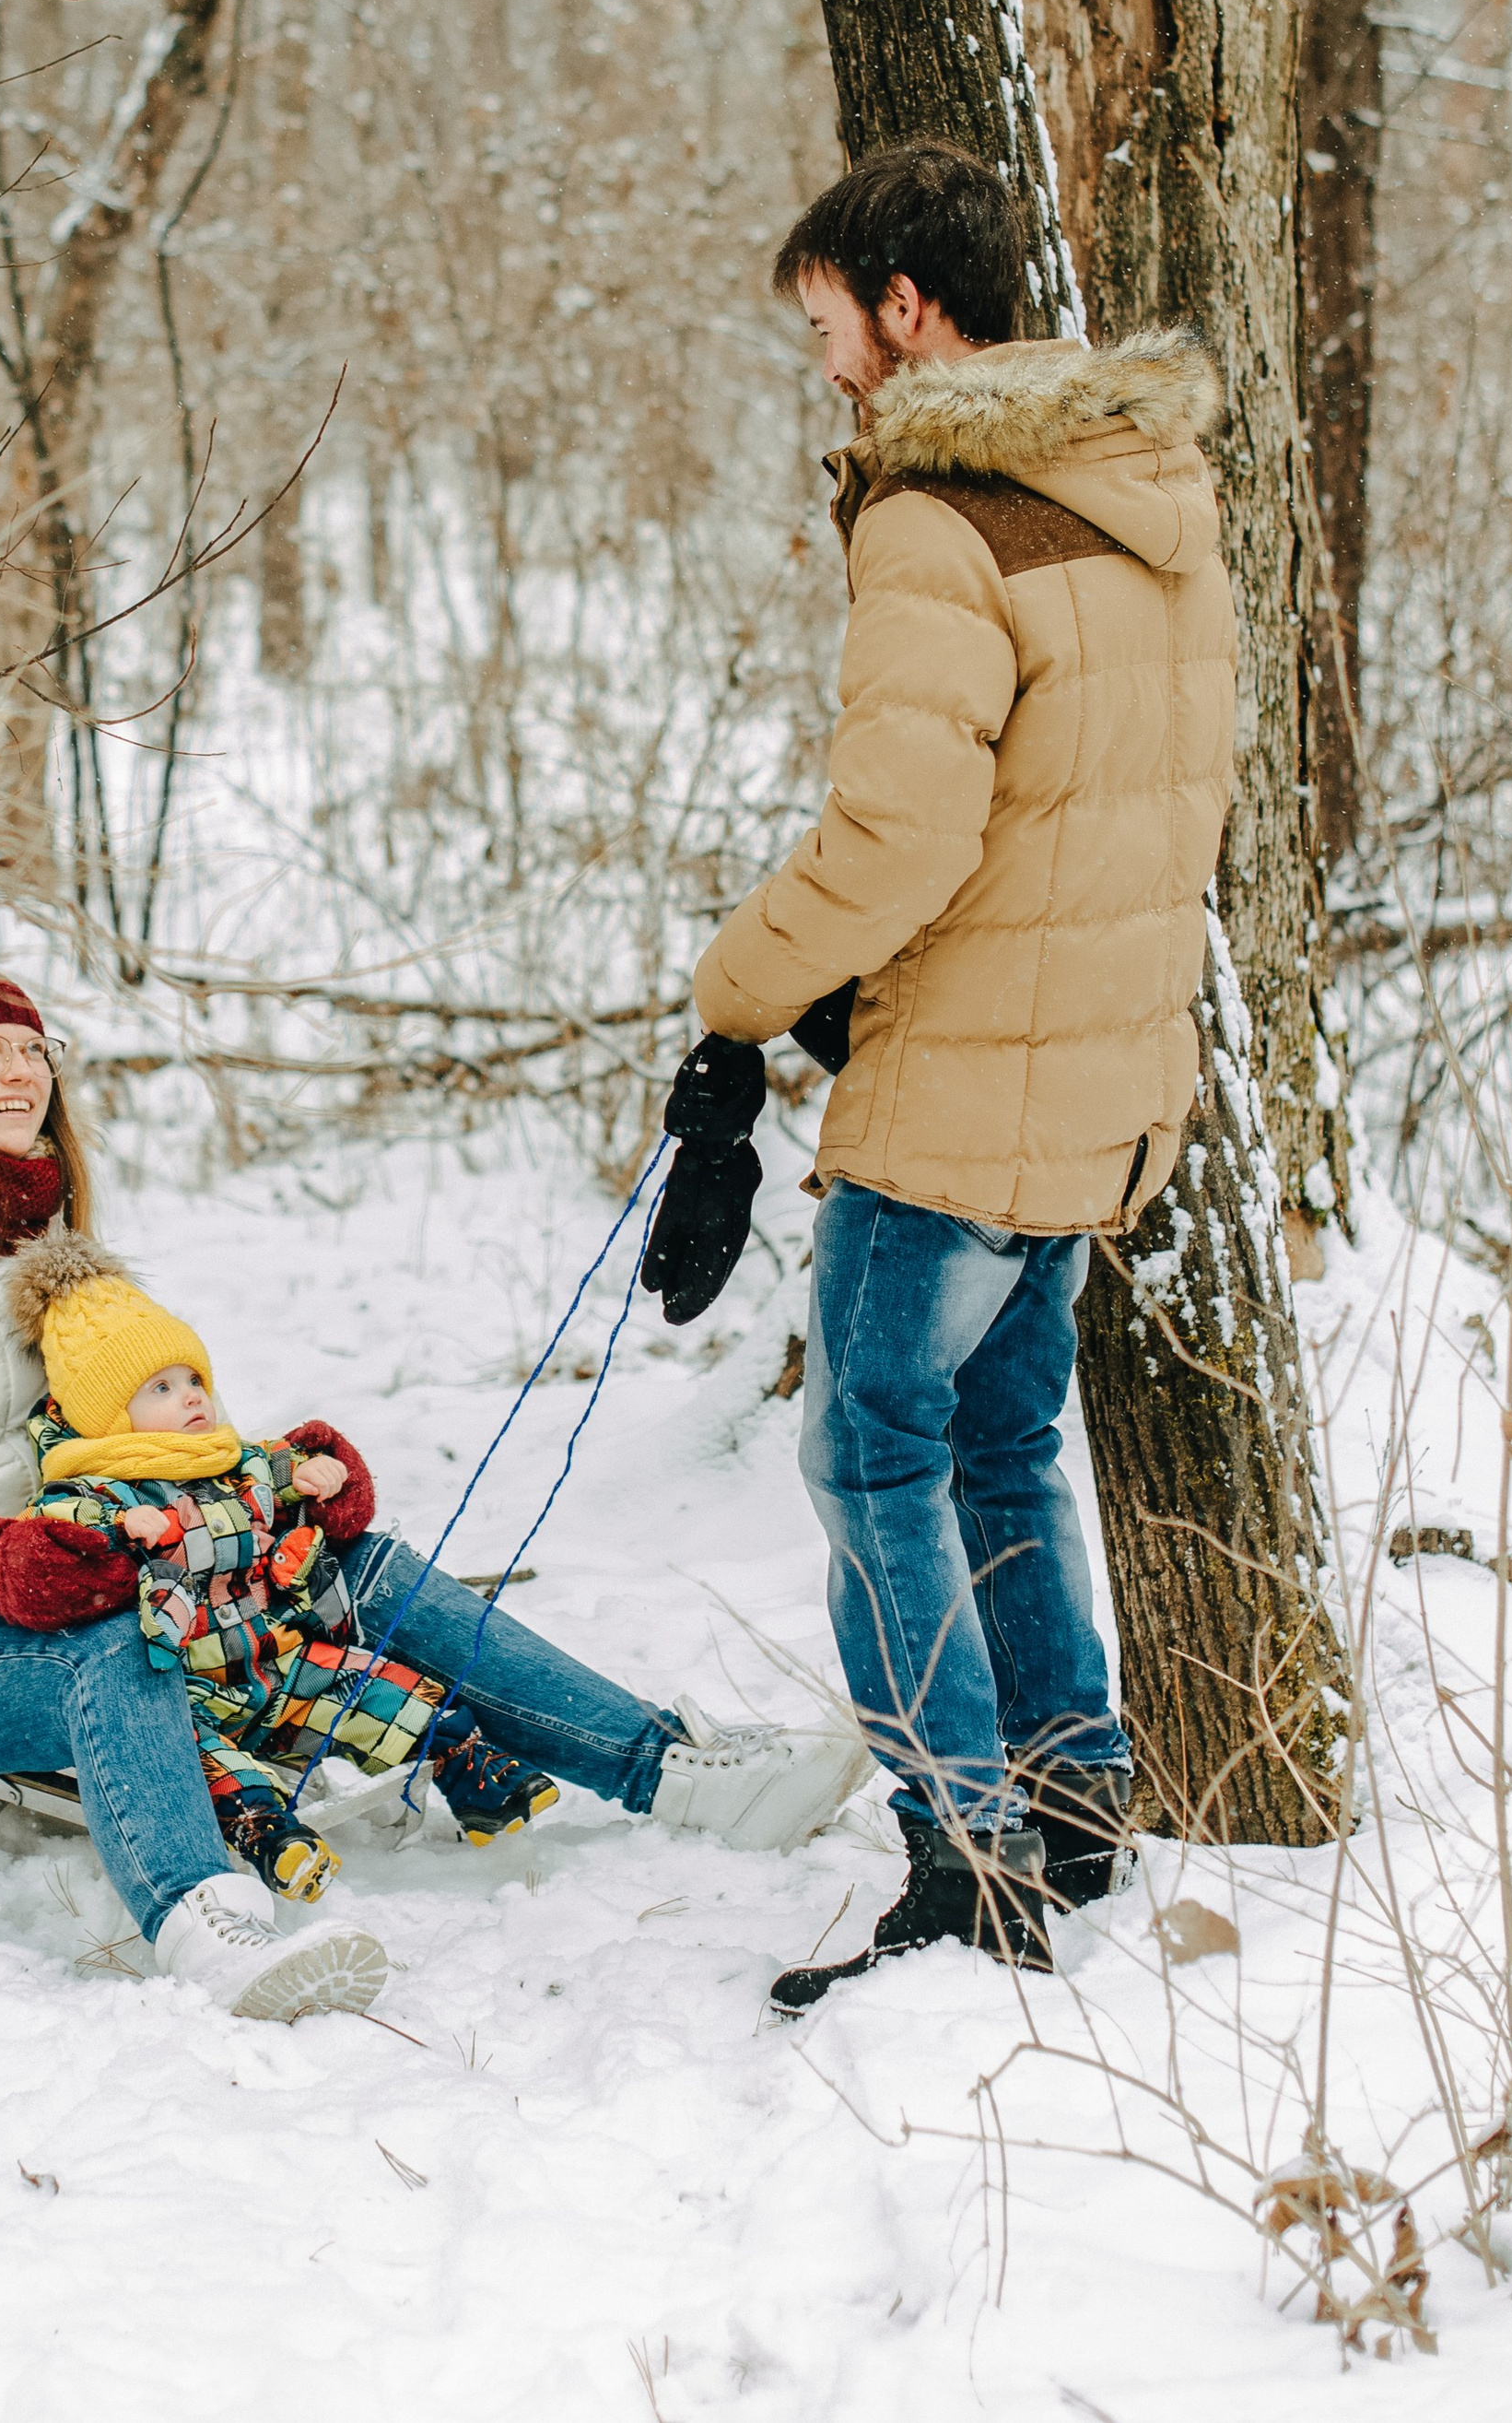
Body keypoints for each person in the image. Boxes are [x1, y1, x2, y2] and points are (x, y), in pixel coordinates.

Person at [0, 943, 866, 2028]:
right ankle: (207, 1921)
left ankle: (665, 1765)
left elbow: (122, 1426)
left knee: (349, 1564)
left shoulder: (43, 1228)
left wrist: (268, 1487)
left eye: (30, 1045)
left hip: (91, 1552)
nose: (18, 1072)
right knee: (126, 1637)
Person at [636, 144, 1235, 2013]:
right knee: (995, 1446)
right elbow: (1085, 813)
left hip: (965, 1099)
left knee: (867, 1453)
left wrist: (734, 999)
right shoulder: (1143, 493)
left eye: (829, 330)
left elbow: (899, 834)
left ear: (906, 307)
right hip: (1100, 1091)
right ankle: (1069, 1802)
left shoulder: (934, 516)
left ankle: (963, 1863)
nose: (827, 373)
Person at [11, 1239, 559, 1903]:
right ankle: (270, 1835)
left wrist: (310, 1478)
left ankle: (470, 1770)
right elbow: (49, 1548)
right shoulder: (92, 1491)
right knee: (208, 1763)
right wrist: (115, 1533)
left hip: (281, 1662)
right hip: (186, 1691)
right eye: (161, 1387)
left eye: (195, 1380)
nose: (191, 1398)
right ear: (108, 1415)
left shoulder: (235, 1458)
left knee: (385, 1685)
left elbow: (285, 1470)